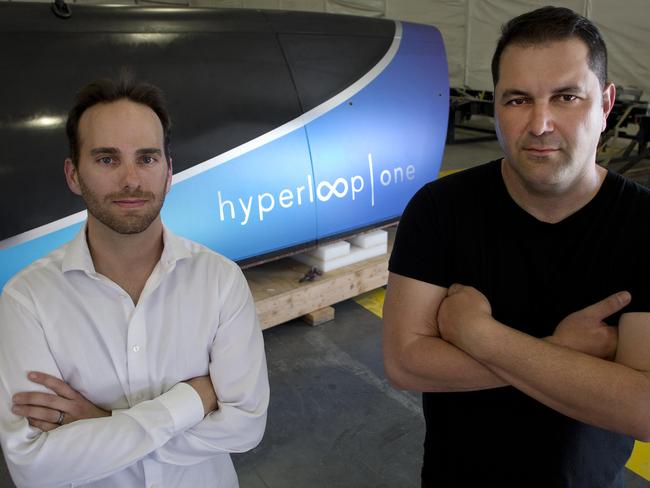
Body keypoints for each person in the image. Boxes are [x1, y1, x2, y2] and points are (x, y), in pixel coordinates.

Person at [383, 6, 650, 487]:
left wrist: (480, 334)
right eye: (518, 100)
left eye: (567, 97)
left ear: (606, 105)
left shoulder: (645, 225)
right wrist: (562, 351)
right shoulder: (440, 208)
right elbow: (405, 362)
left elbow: (643, 407)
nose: (540, 123)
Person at [0, 77, 269, 487]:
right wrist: (191, 400)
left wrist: (102, 424)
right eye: (107, 159)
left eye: (146, 158)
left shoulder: (220, 281)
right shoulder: (27, 300)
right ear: (74, 175)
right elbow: (35, 466)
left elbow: (245, 427)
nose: (131, 179)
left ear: (168, 171)